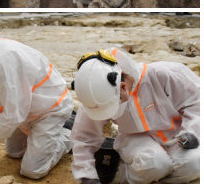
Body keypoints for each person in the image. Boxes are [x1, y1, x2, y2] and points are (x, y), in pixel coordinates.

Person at [71, 48, 200, 184]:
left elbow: (197, 102)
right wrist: (87, 176)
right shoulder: (95, 95)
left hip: (178, 136)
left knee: (194, 164)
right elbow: (84, 138)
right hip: (134, 140)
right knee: (153, 163)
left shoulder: (166, 75)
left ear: (122, 87)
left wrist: (193, 132)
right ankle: (123, 175)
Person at [0, 23, 73, 179]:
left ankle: (68, 135)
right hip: (28, 107)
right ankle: (40, 139)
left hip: (51, 108)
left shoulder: (0, 62)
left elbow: (14, 115)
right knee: (14, 152)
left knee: (33, 170)